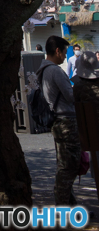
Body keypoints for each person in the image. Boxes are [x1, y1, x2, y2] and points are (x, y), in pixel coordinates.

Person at [37, 34, 82, 205]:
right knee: (69, 166)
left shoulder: (43, 69)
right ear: (57, 51)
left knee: (65, 164)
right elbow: (70, 96)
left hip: (58, 120)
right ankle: (63, 207)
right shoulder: (55, 70)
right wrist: (79, 86)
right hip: (66, 122)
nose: (65, 56)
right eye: (64, 52)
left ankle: (70, 205)